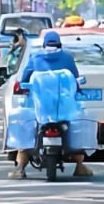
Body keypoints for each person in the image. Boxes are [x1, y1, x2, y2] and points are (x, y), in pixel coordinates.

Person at [12, 30, 94, 179]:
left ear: (44, 45)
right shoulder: (67, 58)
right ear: (60, 45)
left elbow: (25, 79)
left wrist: (25, 88)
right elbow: (75, 79)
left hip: (40, 109)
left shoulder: (35, 58)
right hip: (64, 108)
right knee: (77, 128)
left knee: (26, 128)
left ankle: (20, 167)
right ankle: (80, 166)